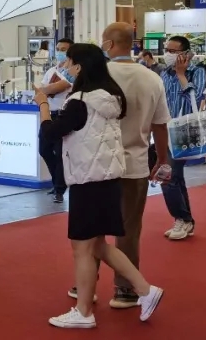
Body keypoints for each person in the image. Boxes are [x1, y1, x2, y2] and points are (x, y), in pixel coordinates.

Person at [34, 43, 165, 328]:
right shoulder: (109, 97)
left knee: (82, 248)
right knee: (97, 246)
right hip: (107, 179)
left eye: (68, 61)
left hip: (88, 180)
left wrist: (43, 104)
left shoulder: (80, 101)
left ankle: (83, 312)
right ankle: (145, 290)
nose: (65, 66)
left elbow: (50, 133)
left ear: (79, 66)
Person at [85, 23, 171, 309]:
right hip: (135, 164)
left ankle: (85, 284)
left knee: (92, 228)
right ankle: (125, 289)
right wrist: (163, 159)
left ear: (109, 44)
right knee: (129, 230)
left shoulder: (96, 74)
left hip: (97, 164)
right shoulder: (151, 78)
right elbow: (160, 124)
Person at [160, 35, 206, 240]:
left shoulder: (197, 71)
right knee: (175, 177)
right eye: (167, 50)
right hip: (165, 130)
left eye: (173, 51)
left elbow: (194, 98)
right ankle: (185, 220)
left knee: (167, 176)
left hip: (185, 129)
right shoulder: (164, 73)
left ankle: (181, 218)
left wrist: (181, 74)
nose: (168, 54)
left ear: (186, 54)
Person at [38, 38, 73, 202]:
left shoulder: (71, 72)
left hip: (62, 114)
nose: (60, 52)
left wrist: (47, 89)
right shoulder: (51, 70)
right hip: (48, 114)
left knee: (60, 153)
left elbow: (59, 86)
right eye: (58, 48)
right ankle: (57, 182)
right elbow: (41, 90)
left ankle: (59, 189)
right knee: (44, 150)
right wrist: (46, 90)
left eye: (64, 49)